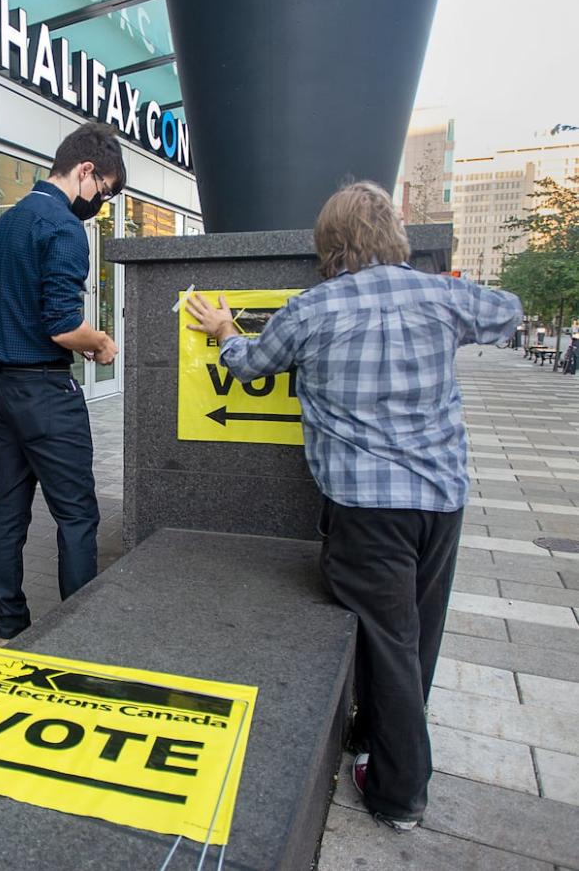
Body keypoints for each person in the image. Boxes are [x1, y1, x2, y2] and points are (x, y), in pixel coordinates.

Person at [185, 181, 521, 831]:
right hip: (442, 500)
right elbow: (506, 312)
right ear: (394, 234)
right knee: (415, 632)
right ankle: (379, 736)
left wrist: (225, 329)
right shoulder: (439, 294)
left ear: (329, 247)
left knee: (390, 641)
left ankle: (399, 791)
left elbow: (252, 366)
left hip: (367, 507)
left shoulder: (314, 310)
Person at [0, 122, 125, 643]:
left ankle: (11, 624)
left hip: (0, 389)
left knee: (9, 508)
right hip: (44, 395)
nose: (99, 205)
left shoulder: (4, 225)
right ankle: (77, 633)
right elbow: (62, 325)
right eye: (102, 192)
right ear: (86, 171)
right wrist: (101, 343)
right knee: (78, 515)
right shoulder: (61, 228)